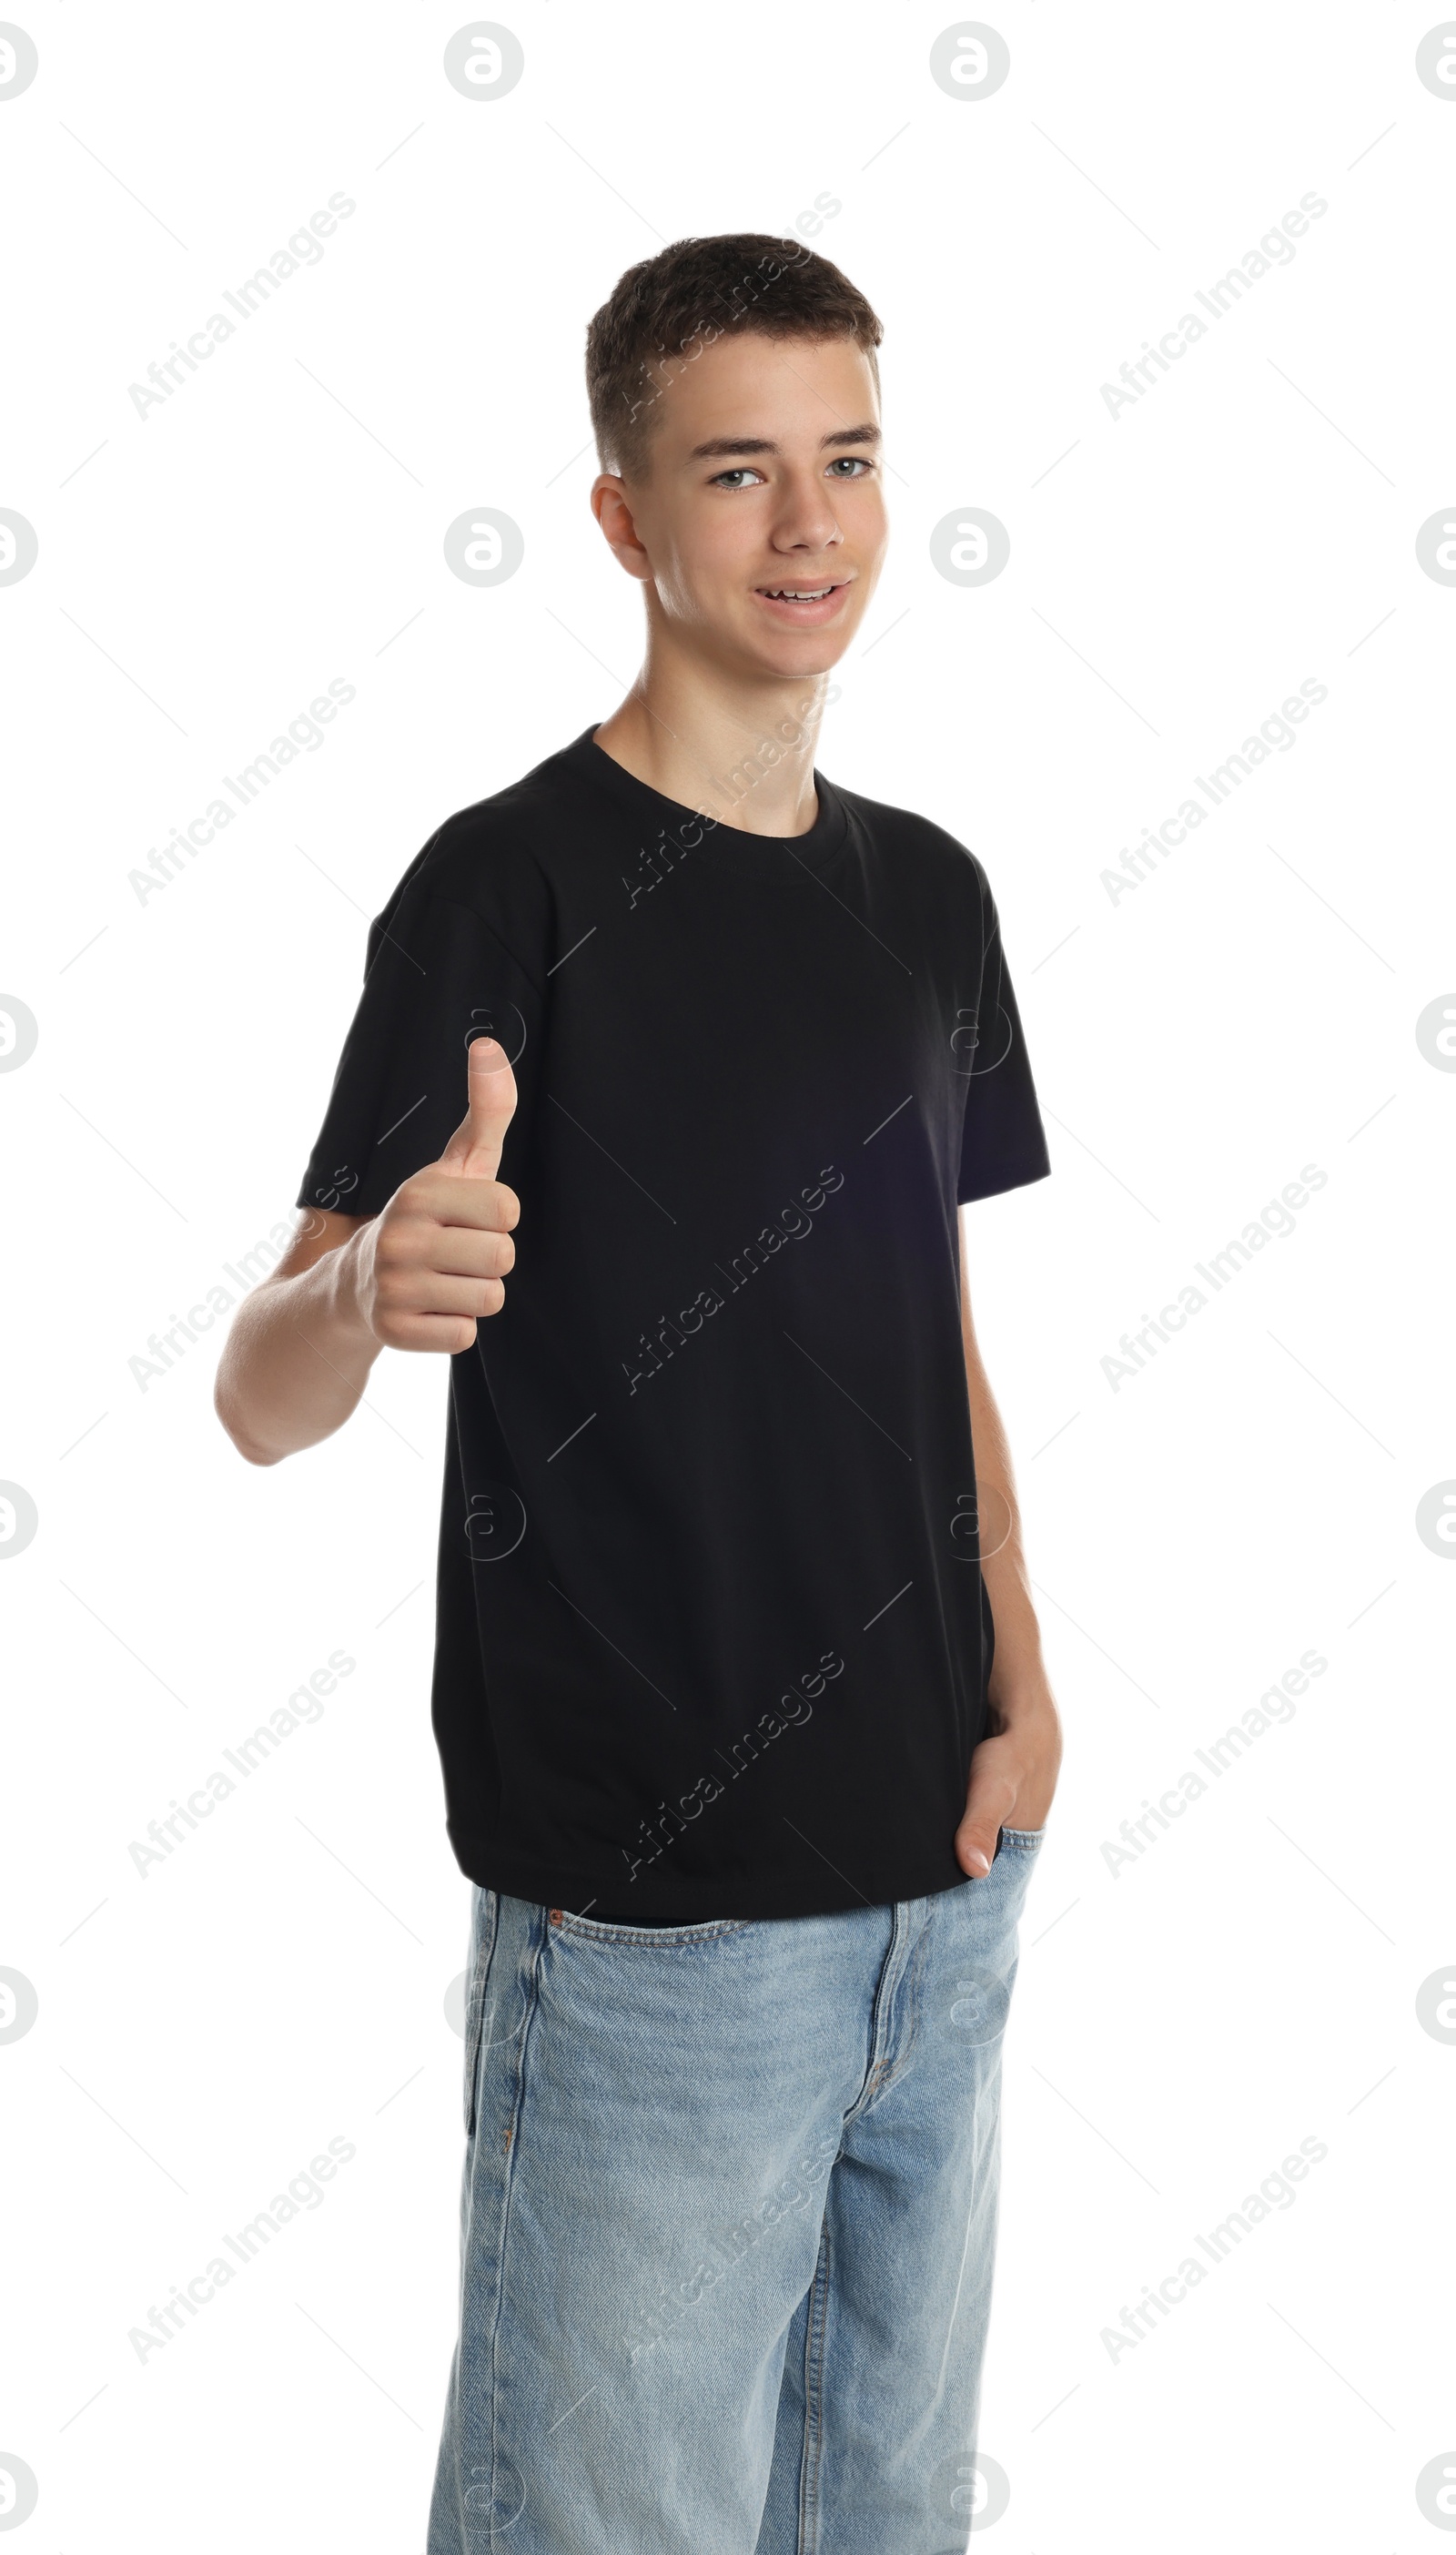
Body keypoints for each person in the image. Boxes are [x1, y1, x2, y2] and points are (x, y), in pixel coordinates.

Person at [215, 229, 1063, 2555]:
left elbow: (932, 1329)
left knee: (881, 2518)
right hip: (655, 1928)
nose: (808, 529)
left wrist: (1024, 1676)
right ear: (621, 518)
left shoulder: (931, 900)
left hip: (944, 1873)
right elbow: (259, 1393)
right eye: (736, 474)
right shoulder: (502, 890)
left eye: (849, 461)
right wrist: (377, 1274)